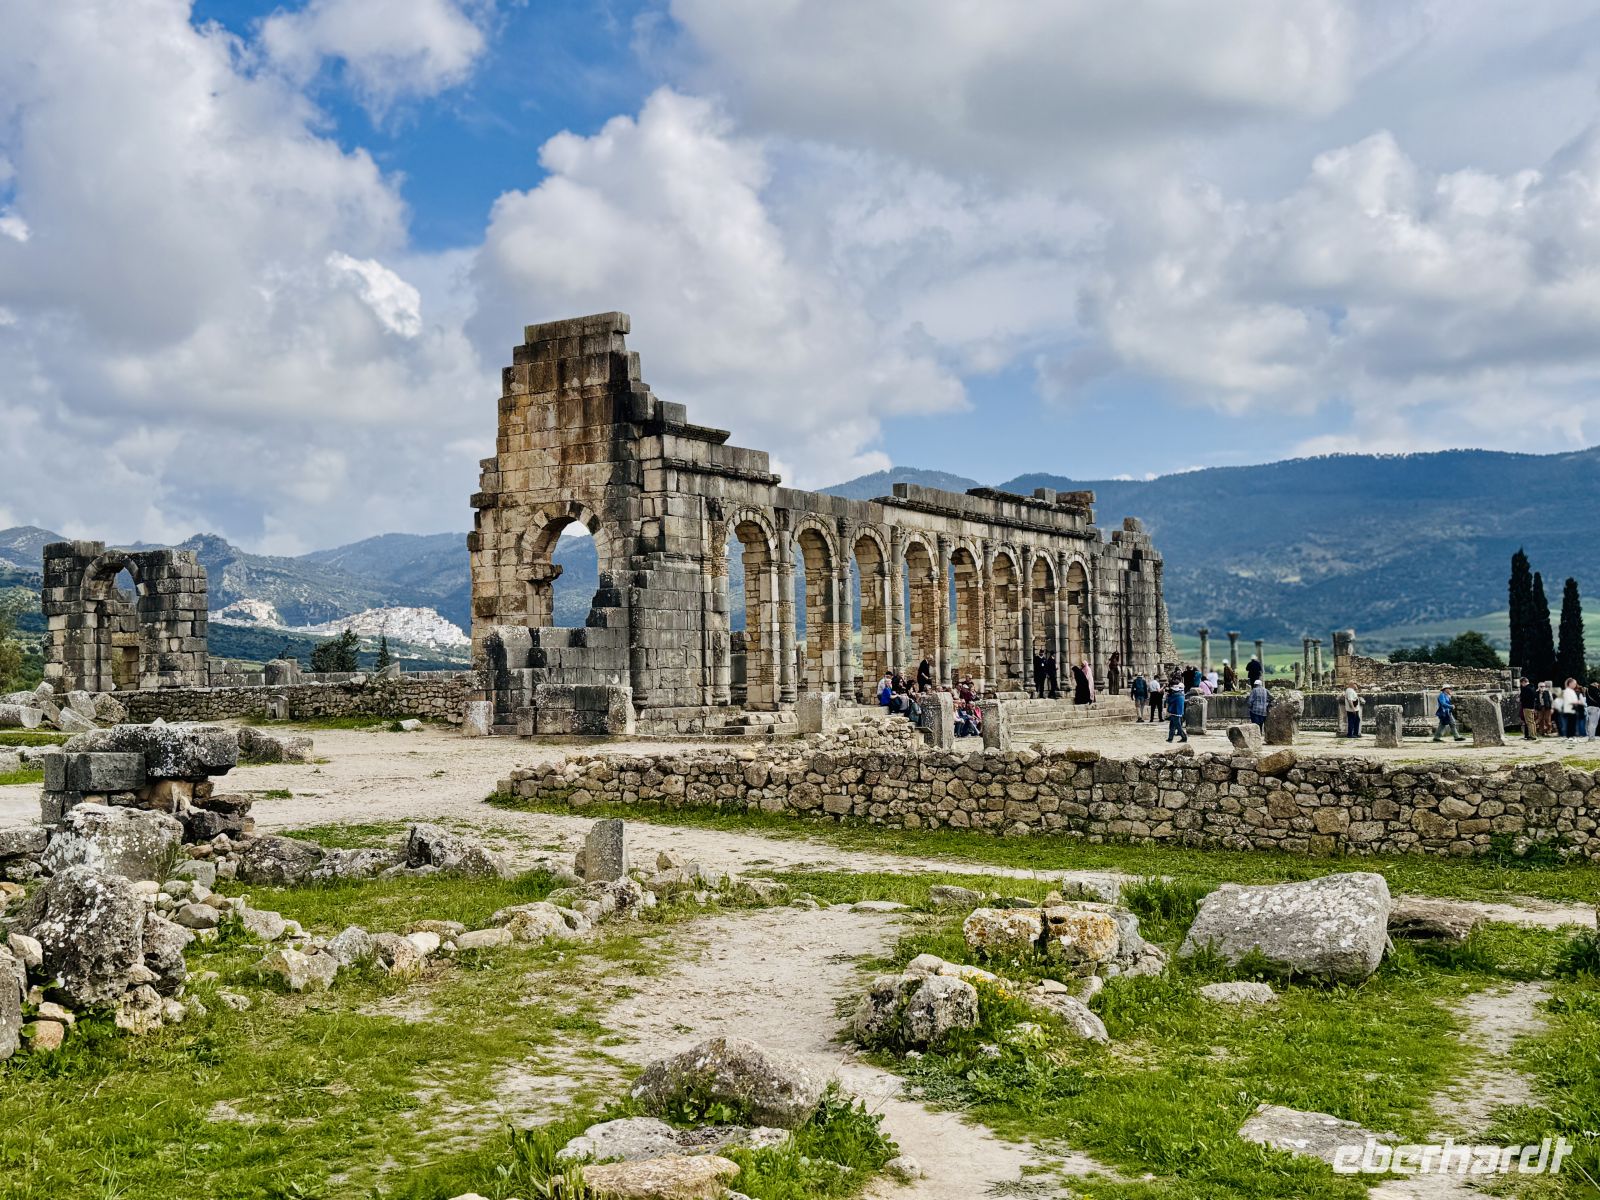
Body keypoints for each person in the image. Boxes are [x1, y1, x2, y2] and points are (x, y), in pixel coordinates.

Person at [1561, 678, 1583, 743]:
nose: (1575, 685)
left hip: (1572, 709)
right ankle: (1570, 736)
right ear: (1570, 683)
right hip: (1570, 709)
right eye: (1574, 683)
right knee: (1571, 724)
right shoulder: (1567, 691)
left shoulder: (1571, 691)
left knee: (1572, 724)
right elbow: (1569, 701)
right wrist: (1578, 702)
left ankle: (1572, 736)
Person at [1518, 675, 1539, 741]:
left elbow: (1524, 698)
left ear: (1524, 682)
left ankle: (1532, 735)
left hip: (1527, 707)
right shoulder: (1532, 687)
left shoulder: (1526, 689)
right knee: (1532, 722)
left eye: (1521, 683)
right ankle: (1534, 734)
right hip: (1532, 707)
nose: (1521, 685)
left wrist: (1520, 699)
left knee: (1529, 722)